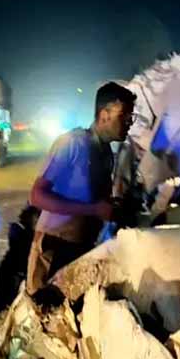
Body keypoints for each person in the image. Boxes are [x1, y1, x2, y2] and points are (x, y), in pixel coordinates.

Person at [26, 81, 135, 293]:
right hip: (54, 246)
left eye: (132, 117)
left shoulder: (106, 153)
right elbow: (37, 196)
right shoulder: (73, 143)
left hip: (82, 246)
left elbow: (94, 201)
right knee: (46, 308)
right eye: (125, 116)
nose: (129, 123)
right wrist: (94, 209)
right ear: (105, 114)